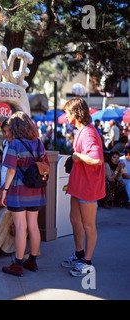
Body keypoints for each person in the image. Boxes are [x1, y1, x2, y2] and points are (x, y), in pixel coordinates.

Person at [0, 111, 49, 277]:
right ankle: (32, 261)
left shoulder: (15, 144)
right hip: (36, 189)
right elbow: (45, 165)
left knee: (20, 227)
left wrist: (4, 190)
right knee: (33, 226)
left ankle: (18, 265)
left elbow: (11, 170)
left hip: (18, 191)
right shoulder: (39, 143)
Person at [61, 98, 105, 277]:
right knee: (75, 220)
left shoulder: (88, 133)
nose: (65, 116)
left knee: (88, 225)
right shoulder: (82, 131)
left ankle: (87, 262)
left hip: (88, 186)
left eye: (67, 113)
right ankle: (79, 254)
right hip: (78, 184)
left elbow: (97, 160)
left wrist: (78, 156)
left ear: (76, 114)